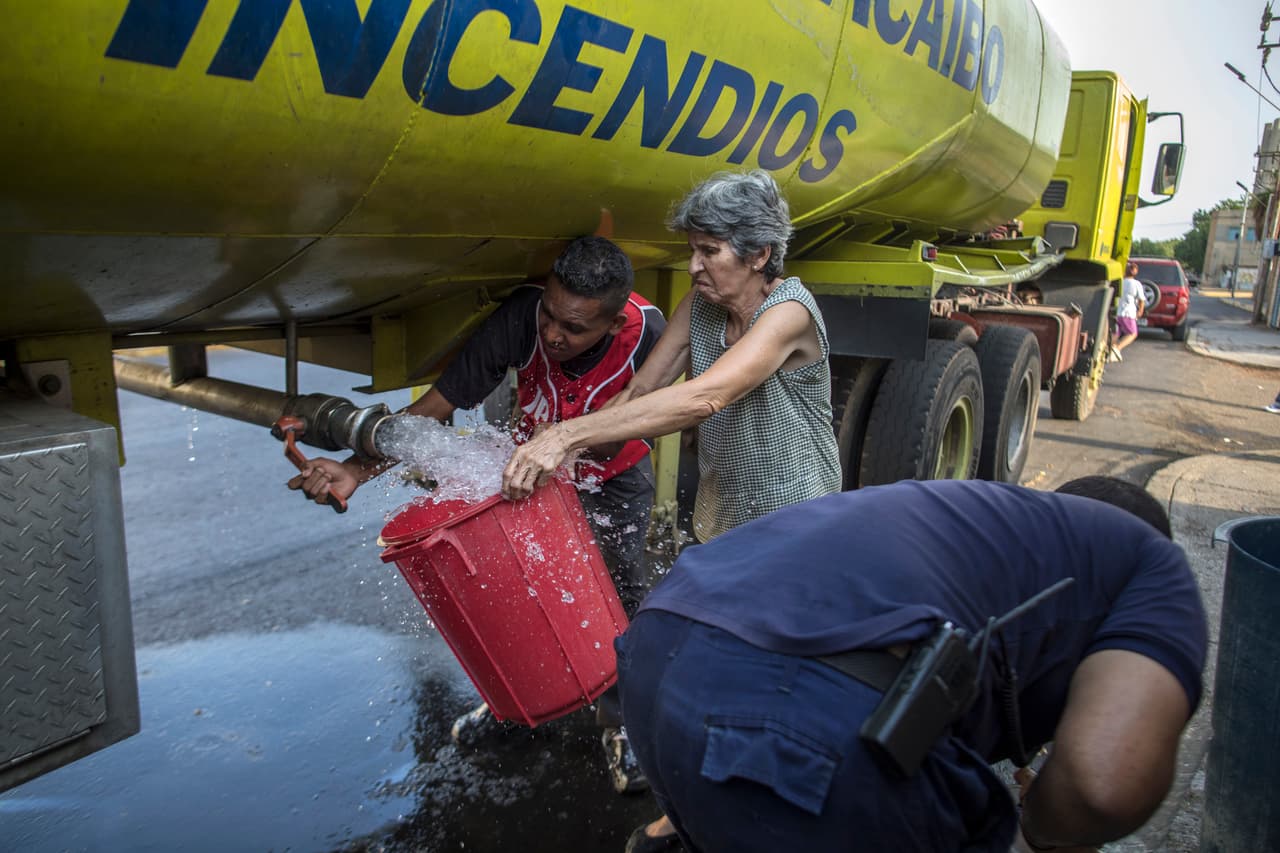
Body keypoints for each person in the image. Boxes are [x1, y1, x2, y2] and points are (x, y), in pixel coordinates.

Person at [501, 170, 843, 849]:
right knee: (705, 670)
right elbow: (645, 388)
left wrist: (565, 435)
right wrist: (565, 457)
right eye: (693, 248)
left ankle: (779, 815)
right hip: (723, 522)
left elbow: (701, 398)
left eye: (709, 250)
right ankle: (700, 806)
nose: (693, 264)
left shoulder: (790, 313)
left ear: (757, 253)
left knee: (773, 681)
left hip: (799, 530)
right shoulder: (703, 304)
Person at [615, 476, 1207, 853]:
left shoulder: (983, 522)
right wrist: (1037, 829)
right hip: (788, 722)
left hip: (655, 653)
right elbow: (1104, 788)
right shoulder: (1154, 567)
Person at [287, 235, 666, 791]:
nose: (555, 335)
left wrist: (571, 444)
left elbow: (642, 422)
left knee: (616, 595)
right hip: (527, 475)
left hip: (611, 480)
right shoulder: (521, 318)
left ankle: (628, 721)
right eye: (550, 318)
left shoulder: (649, 338)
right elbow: (431, 413)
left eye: (575, 328)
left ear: (611, 326)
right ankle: (526, 702)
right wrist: (356, 472)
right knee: (521, 591)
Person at [1110, 261, 1145, 362]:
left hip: (1118, 312)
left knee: (1117, 333)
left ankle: (1108, 349)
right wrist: (1140, 311)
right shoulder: (1136, 284)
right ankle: (1117, 348)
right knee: (1132, 333)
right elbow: (1141, 299)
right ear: (1135, 272)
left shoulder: (1121, 282)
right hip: (1128, 313)